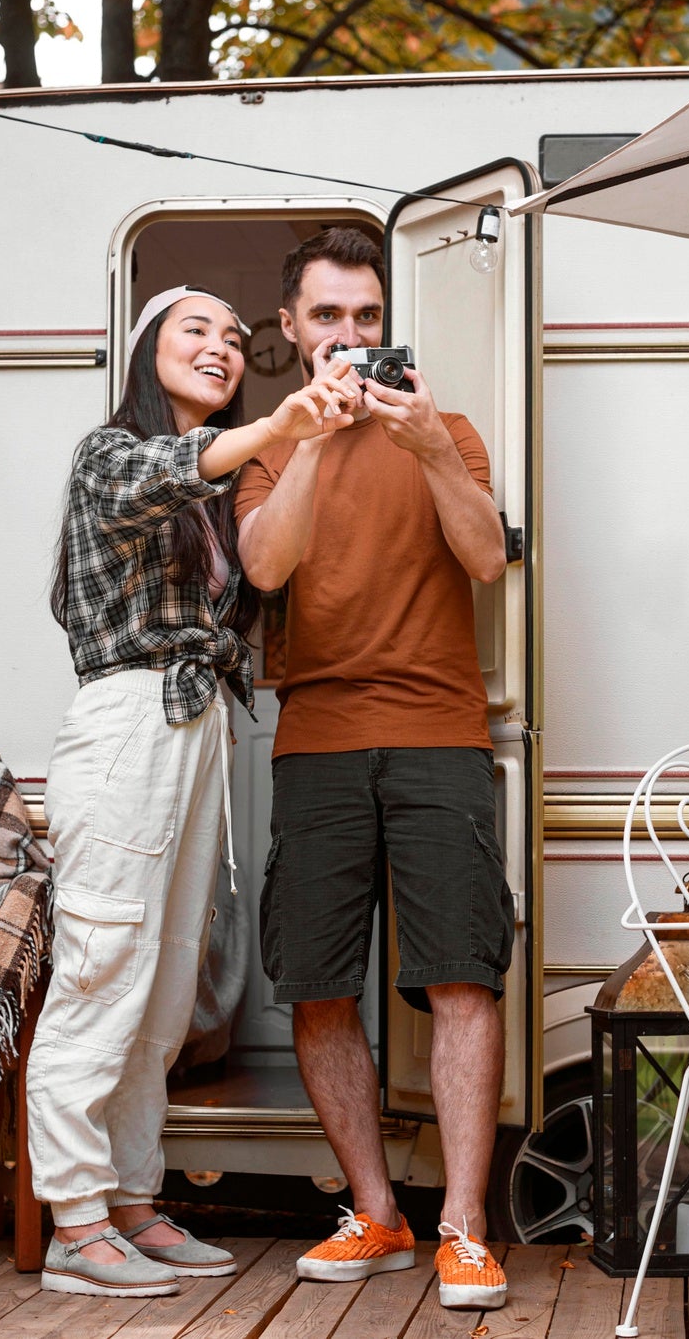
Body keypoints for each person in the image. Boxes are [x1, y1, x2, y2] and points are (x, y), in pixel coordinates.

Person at [31, 285, 353, 1299]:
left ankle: (131, 1199)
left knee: (167, 984)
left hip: (197, 724)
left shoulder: (217, 485)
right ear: (144, 352)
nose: (218, 346)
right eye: (192, 330)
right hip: (129, 719)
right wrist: (279, 422)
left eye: (228, 335)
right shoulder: (110, 452)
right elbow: (164, 470)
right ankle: (73, 1222)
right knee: (102, 965)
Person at [235, 228, 514, 1310]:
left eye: (364, 317)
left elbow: (486, 556)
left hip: (440, 726)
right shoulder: (270, 443)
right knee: (314, 981)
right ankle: (377, 1211)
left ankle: (463, 1225)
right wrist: (309, 434)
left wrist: (429, 447)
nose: (349, 337)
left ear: (384, 321)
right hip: (315, 736)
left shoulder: (446, 432)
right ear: (294, 328)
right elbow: (266, 563)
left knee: (461, 975)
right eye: (328, 318)